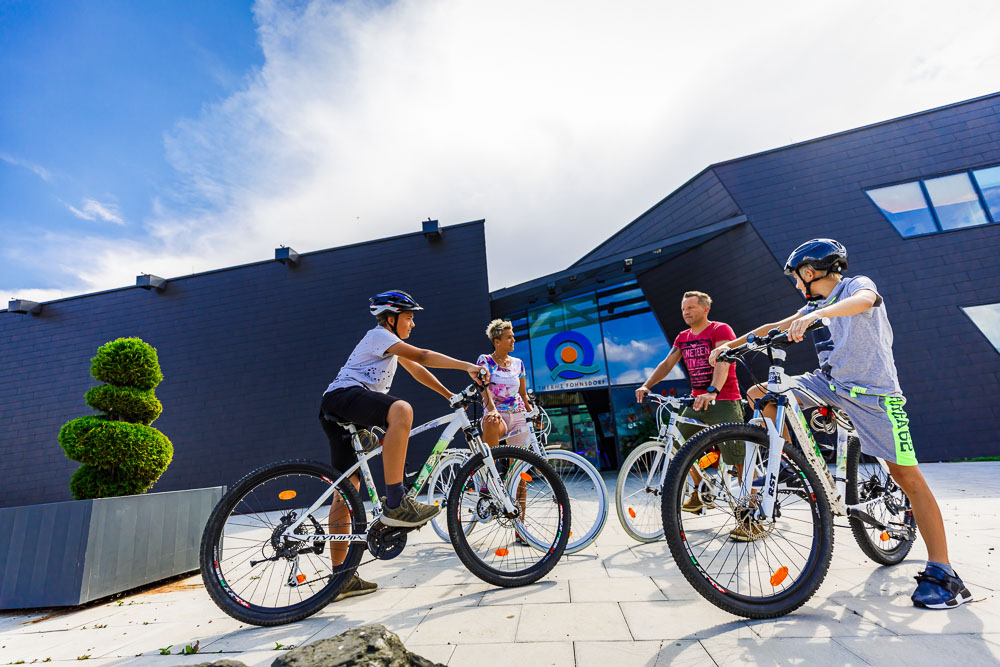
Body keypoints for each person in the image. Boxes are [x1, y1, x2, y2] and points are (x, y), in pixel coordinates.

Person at [707, 238, 972, 610]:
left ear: (811, 272)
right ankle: (790, 464)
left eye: (798, 278)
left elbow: (865, 301)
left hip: (876, 395)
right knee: (761, 393)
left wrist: (818, 316)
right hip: (828, 384)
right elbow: (773, 326)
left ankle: (944, 573)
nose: (798, 286)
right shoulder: (814, 303)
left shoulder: (854, 287)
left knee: (907, 477)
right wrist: (732, 344)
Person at [320, 290, 488, 600]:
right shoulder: (378, 335)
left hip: (338, 408)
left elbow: (418, 368)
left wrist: (448, 395)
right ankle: (396, 500)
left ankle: (340, 577)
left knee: (347, 490)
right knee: (401, 410)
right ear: (391, 319)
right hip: (343, 399)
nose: (412, 324)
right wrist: (468, 366)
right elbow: (423, 355)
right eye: (409, 318)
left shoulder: (390, 347)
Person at [634, 291, 747, 530]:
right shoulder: (682, 337)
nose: (686, 312)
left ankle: (748, 512)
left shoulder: (720, 330)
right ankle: (701, 487)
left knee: (737, 457)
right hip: (697, 402)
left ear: (705, 309)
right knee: (677, 444)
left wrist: (713, 391)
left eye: (691, 308)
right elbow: (667, 364)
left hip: (723, 400)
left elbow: (724, 361)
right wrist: (647, 385)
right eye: (684, 309)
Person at [477, 319, 534, 447]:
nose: (513, 340)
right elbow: (484, 390)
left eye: (513, 337)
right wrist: (493, 411)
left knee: (518, 463)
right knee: (492, 454)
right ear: (497, 341)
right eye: (509, 337)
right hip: (496, 415)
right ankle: (488, 466)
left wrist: (532, 413)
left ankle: (514, 468)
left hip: (518, 414)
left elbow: (523, 394)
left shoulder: (518, 363)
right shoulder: (485, 360)